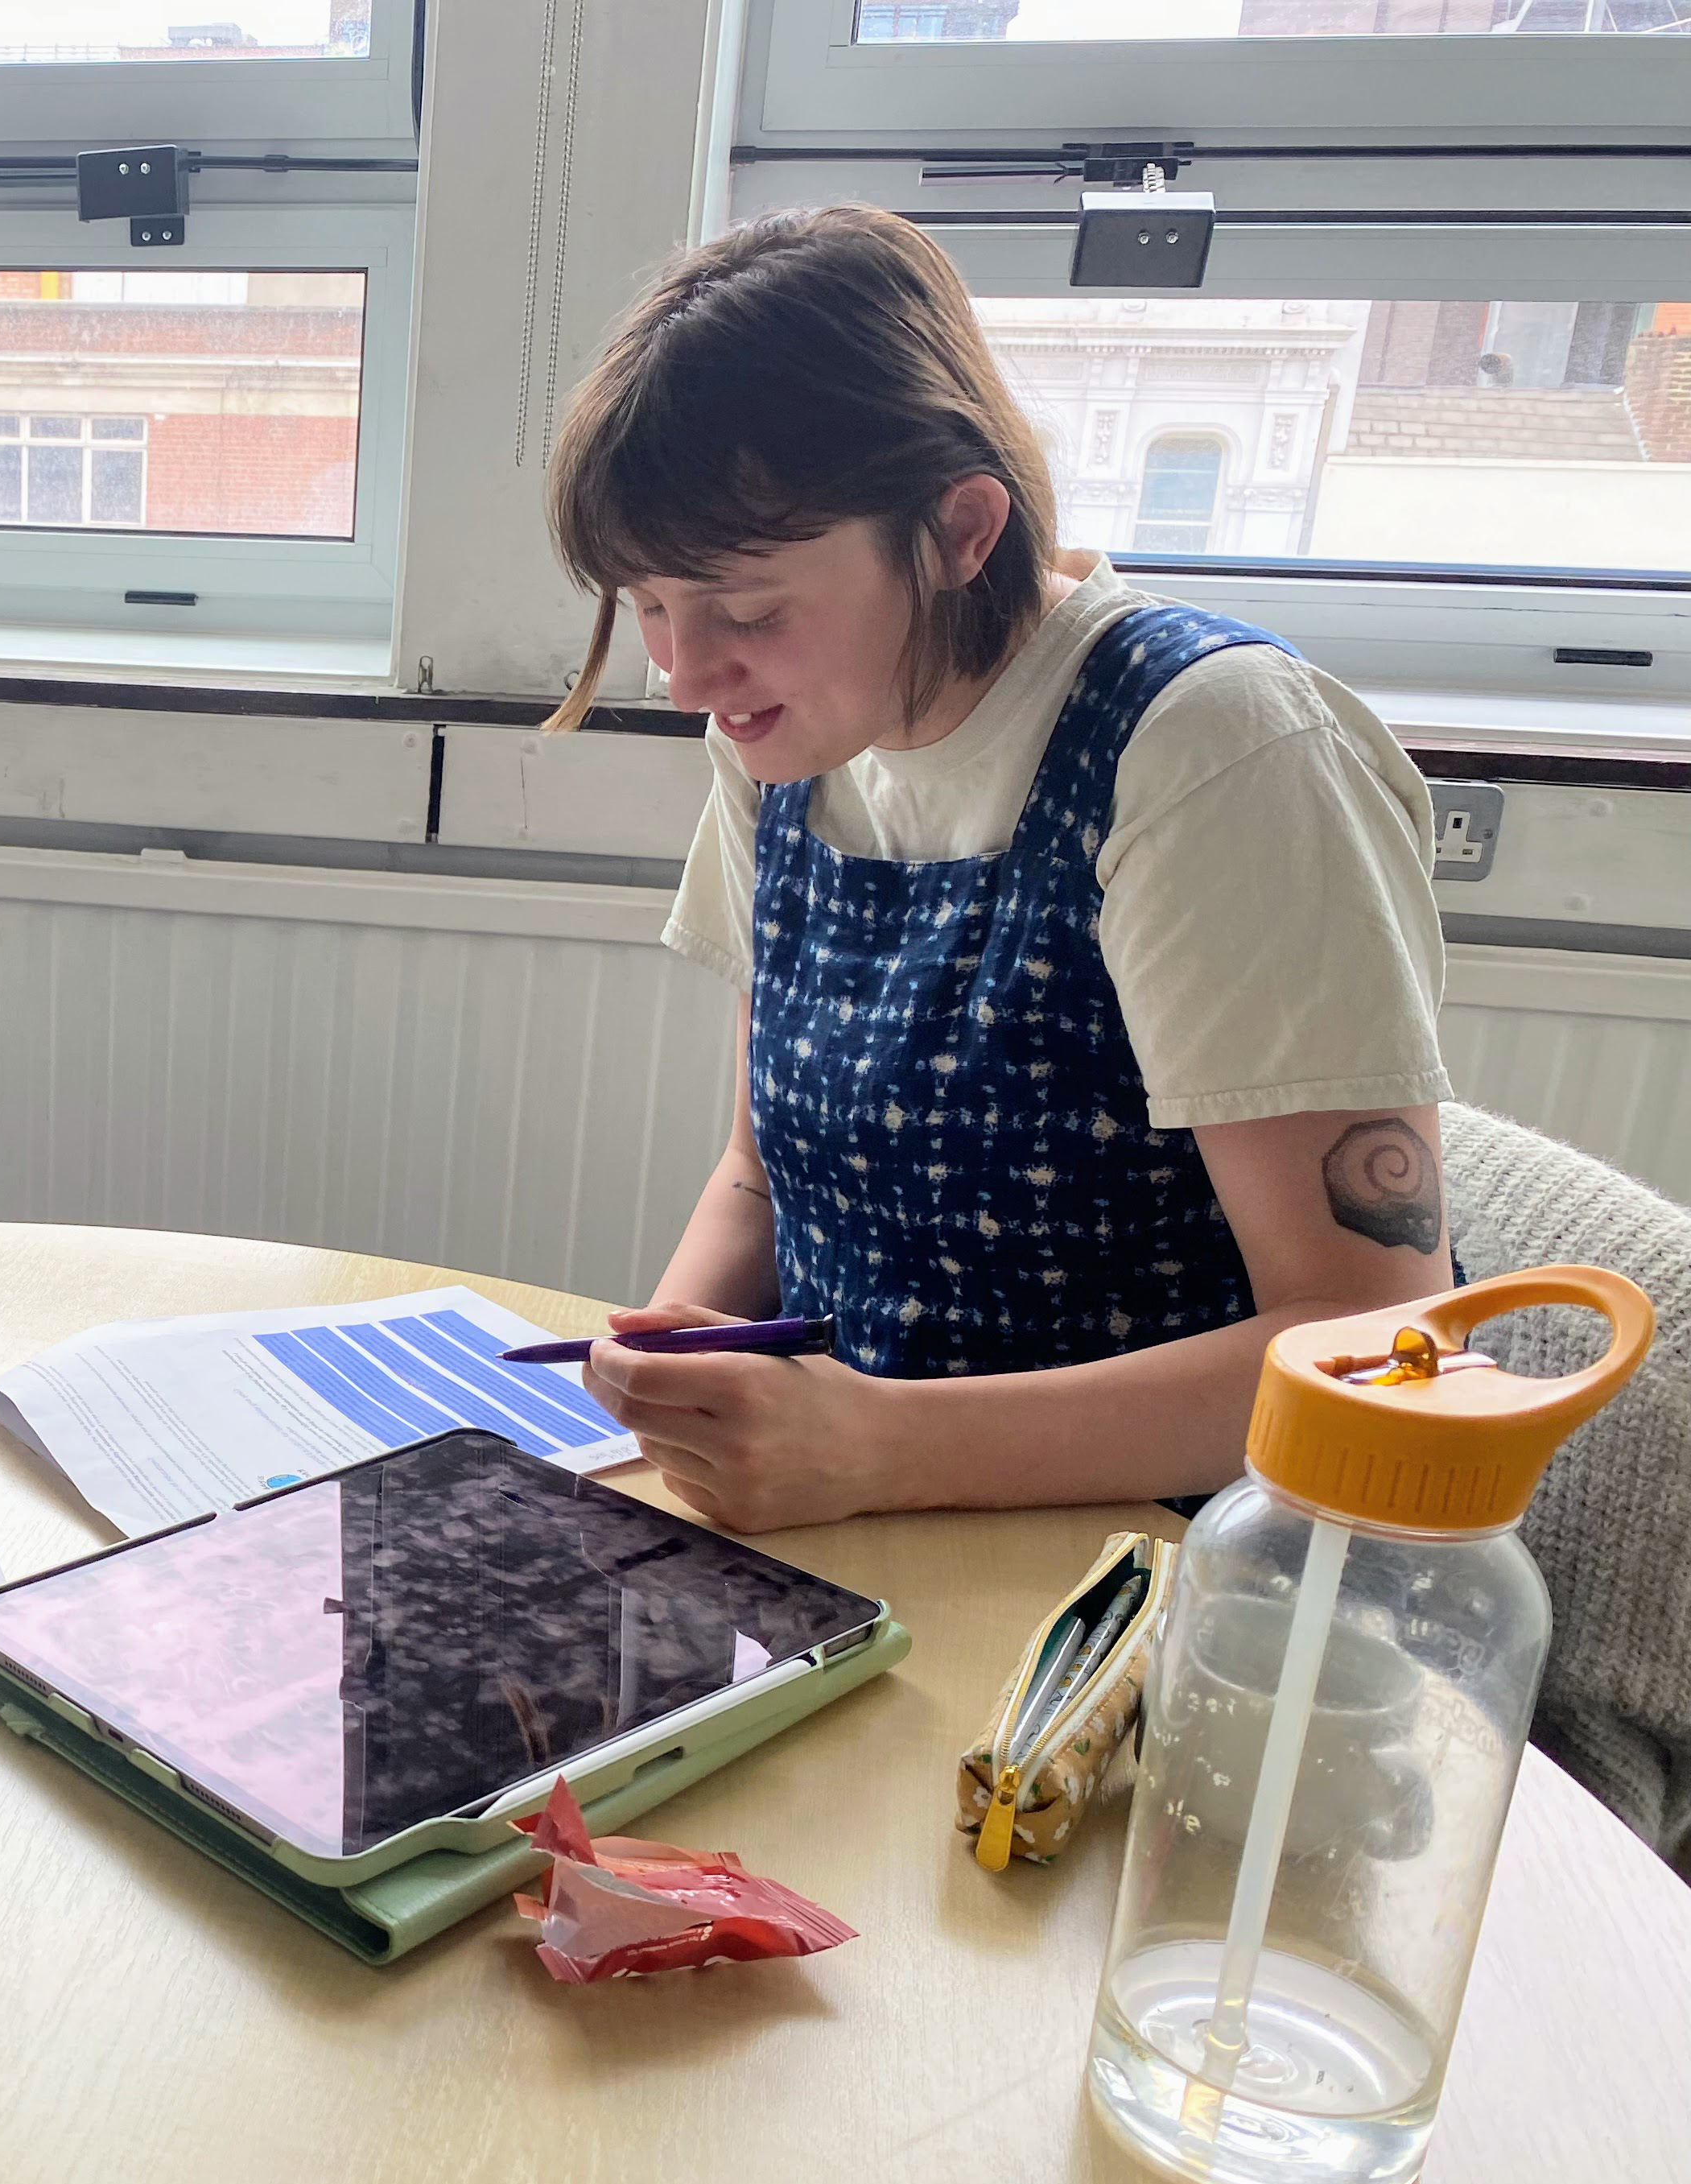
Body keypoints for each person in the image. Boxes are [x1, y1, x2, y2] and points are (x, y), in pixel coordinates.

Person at [545, 206, 1453, 1533]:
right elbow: (760, 1175)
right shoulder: (783, 740)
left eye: (746, 611)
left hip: (1187, 1557)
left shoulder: (1211, 748)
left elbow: (1372, 1343)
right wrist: (675, 1372)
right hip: (874, 1522)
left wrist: (878, 1449)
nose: (685, 677)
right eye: (647, 608)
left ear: (961, 530)